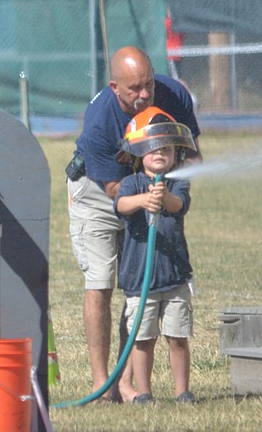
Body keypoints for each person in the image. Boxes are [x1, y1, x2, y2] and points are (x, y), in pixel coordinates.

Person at [65, 45, 201, 402]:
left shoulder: (173, 95)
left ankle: (126, 381)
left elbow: (193, 154)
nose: (144, 95)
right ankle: (100, 383)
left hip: (150, 188)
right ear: (114, 87)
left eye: (148, 86)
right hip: (99, 191)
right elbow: (115, 191)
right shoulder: (100, 122)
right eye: (134, 90)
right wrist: (143, 198)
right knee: (100, 280)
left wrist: (169, 188)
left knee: (137, 282)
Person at [114, 107, 197, 404]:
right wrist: (142, 200)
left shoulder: (177, 183)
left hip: (174, 277)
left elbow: (178, 205)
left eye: (167, 148)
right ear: (139, 152)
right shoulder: (132, 183)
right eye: (153, 148)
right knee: (143, 338)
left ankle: (182, 392)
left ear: (177, 154)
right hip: (141, 279)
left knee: (177, 337)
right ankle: (144, 392)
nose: (160, 152)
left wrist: (164, 198)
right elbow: (121, 205)